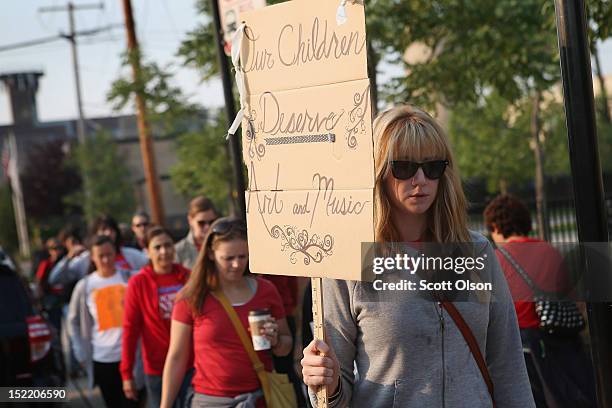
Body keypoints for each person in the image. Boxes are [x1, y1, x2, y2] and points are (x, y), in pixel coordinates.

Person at [301, 105, 535, 407]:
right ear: (378, 172)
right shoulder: (348, 263)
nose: (421, 179)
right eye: (404, 167)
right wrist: (326, 385)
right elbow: (334, 394)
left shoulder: (476, 251)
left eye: (433, 167)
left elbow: (509, 368)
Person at [161, 217, 292, 408]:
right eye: (228, 258)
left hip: (259, 398)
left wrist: (276, 341)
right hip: (209, 401)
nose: (237, 264)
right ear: (211, 254)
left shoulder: (266, 290)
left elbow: (286, 346)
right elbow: (176, 357)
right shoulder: (192, 296)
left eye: (242, 256)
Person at [484, 194, 596, 407]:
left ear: (496, 226)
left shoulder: (497, 260)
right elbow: (567, 295)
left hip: (524, 348)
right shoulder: (548, 250)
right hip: (560, 342)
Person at [121, 225, 193, 408]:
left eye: (168, 245)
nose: (164, 251)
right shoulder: (138, 283)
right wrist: (127, 373)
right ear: (147, 251)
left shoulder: (188, 277)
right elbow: (130, 329)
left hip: (191, 365)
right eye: (157, 247)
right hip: (157, 368)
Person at [67, 235, 142, 407]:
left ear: (116, 253)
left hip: (131, 357)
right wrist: (79, 350)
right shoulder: (85, 285)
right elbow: (73, 321)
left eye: (109, 254)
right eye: (101, 256)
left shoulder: (130, 278)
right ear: (92, 257)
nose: (106, 260)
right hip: (102, 358)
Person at [49, 215, 148, 287]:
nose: (108, 233)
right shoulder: (84, 260)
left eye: (111, 229)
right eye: (104, 229)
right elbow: (55, 279)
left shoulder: (131, 255)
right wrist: (68, 258)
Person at [175, 196, 219, 270]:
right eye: (201, 223)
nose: (207, 227)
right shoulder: (179, 250)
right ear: (190, 220)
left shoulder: (223, 245)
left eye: (211, 222)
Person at [34, 237, 66, 331]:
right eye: (53, 248)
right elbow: (39, 282)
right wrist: (39, 302)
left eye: (59, 248)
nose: (57, 251)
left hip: (64, 298)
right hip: (51, 300)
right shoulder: (46, 264)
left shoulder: (64, 262)